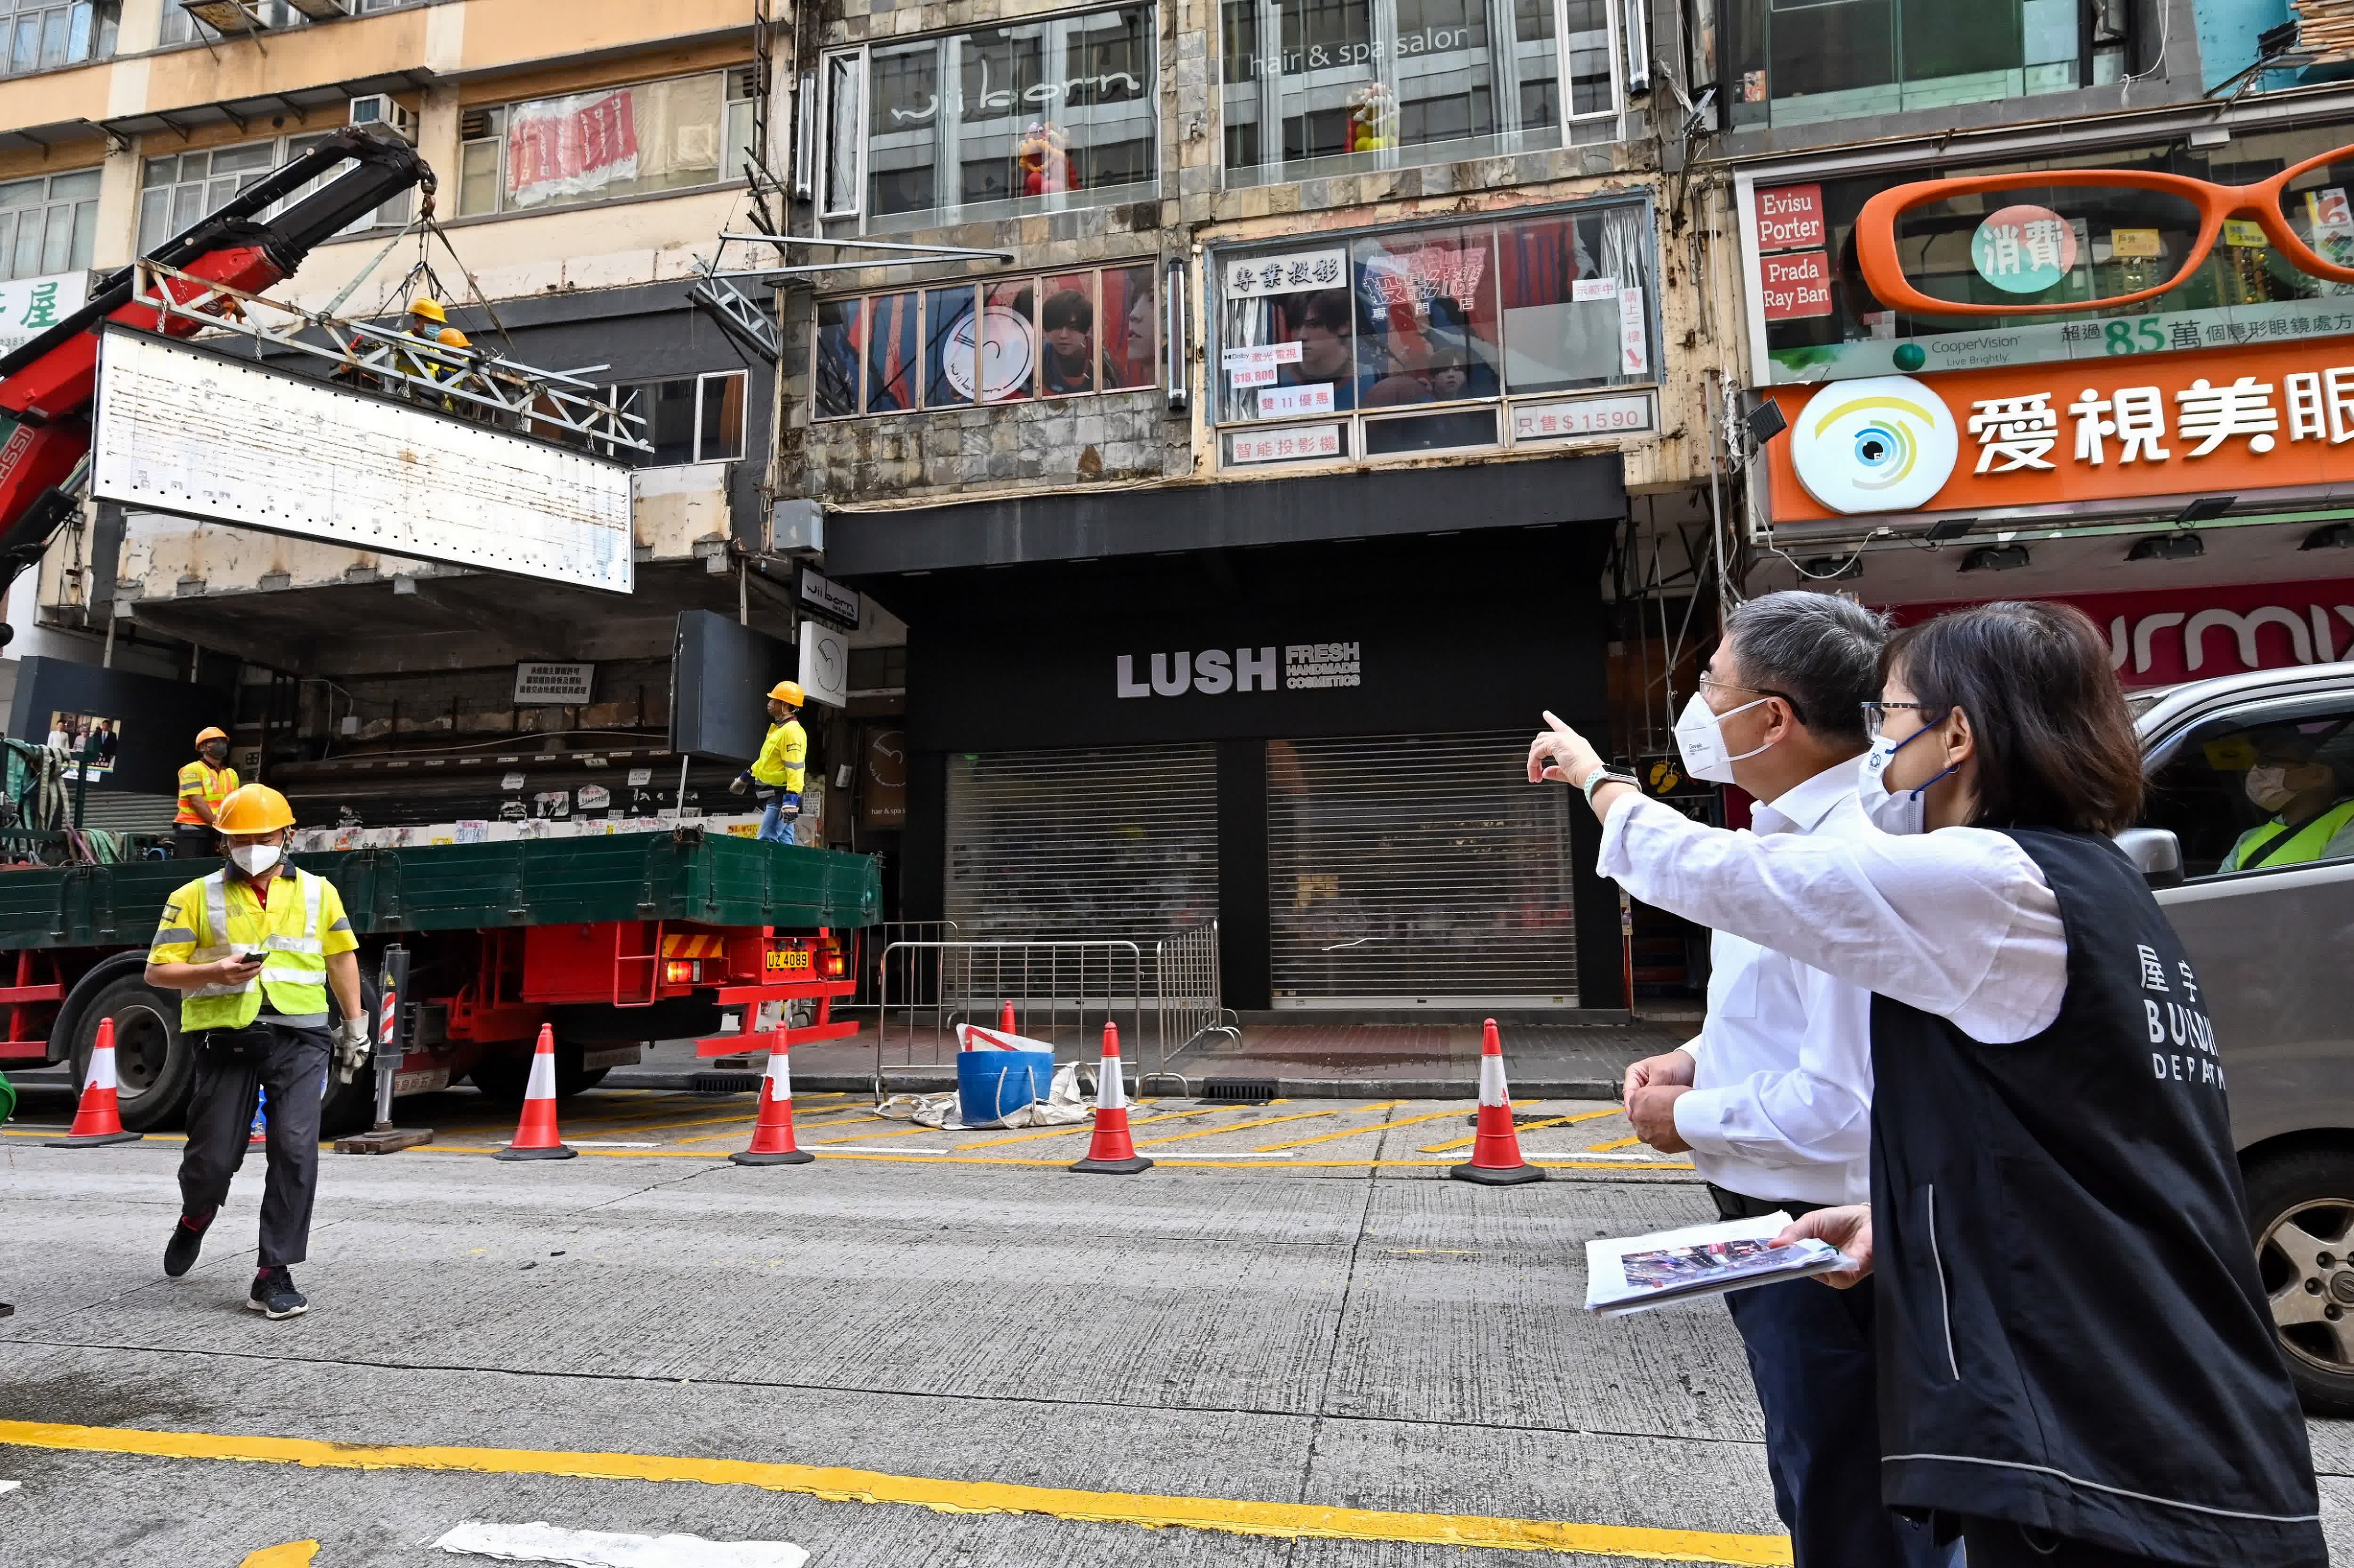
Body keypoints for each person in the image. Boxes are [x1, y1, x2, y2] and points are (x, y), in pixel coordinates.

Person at [1530, 601, 2325, 1568]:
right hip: (2143, 1388)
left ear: (1956, 736)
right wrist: (1895, 1219)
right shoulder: (2090, 884)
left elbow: (1713, 872)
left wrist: (1596, 778)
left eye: (1892, 717)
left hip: (2090, 1418)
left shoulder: (1988, 880)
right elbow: (2052, 1140)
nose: (1877, 746)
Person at [1617, 592, 1945, 1568]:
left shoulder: (1844, 856)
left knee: (1846, 1493)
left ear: (1772, 719)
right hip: (1781, 1226)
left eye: (1710, 681)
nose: (1694, 700)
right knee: (1814, 1469)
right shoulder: (1785, 833)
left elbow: (1845, 1107)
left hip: (1826, 1240)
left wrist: (1688, 1115)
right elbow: (1787, 1017)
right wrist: (1698, 1055)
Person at [145, 784, 367, 1321]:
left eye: (264, 836)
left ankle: (274, 1272)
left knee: (295, 1148)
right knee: (213, 1158)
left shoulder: (319, 892)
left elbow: (341, 957)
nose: (252, 847)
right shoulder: (194, 896)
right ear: (223, 842)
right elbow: (156, 970)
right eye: (240, 838)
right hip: (226, 1037)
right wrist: (214, 971)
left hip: (301, 1035)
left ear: (287, 835)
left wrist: (355, 1026)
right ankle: (197, 1214)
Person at [2219, 724, 2354, 870]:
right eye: (2255, 763)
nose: (2255, 772)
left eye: (2267, 763)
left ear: (2319, 775)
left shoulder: (2349, 823)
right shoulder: (2247, 839)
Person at [731, 681, 807, 845]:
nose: (770, 703)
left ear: (785, 705)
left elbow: (796, 767)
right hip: (776, 796)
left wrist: (792, 799)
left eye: (774, 700)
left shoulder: (792, 732)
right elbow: (765, 761)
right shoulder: (780, 730)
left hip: (781, 798)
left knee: (765, 840)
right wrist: (746, 776)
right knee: (785, 842)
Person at [174, 728, 239, 860]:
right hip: (193, 830)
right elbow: (196, 801)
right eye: (215, 741)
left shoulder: (231, 774)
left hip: (217, 831)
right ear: (203, 747)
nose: (221, 745)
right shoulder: (192, 770)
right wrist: (218, 826)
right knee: (191, 870)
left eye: (223, 741)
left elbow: (234, 804)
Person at [1040, 289, 1096, 396]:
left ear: (1088, 330)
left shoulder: (1101, 358)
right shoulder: (1038, 356)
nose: (1063, 335)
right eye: (1056, 326)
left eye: (1073, 327)